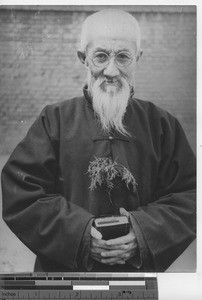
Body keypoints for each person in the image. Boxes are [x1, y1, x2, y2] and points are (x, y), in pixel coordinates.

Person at [1, 9, 196, 272]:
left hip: (138, 279)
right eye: (101, 56)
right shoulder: (54, 120)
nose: (112, 70)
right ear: (83, 58)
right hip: (66, 277)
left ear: (137, 59)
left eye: (123, 57)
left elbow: (190, 195)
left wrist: (142, 234)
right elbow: (22, 193)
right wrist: (80, 236)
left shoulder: (162, 125)